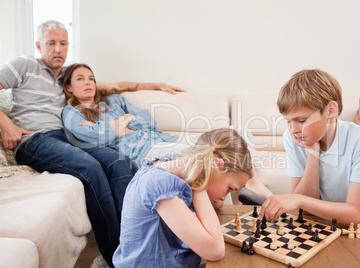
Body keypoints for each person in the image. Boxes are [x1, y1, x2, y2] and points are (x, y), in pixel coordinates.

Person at [0, 20, 183, 267]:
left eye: (63, 43)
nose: (57, 49)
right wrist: (6, 124)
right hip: (36, 139)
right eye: (51, 43)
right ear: (38, 45)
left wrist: (156, 85)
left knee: (119, 161)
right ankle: (118, 256)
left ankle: (138, 240)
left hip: (67, 139)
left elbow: (119, 86)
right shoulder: (24, 65)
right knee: (90, 168)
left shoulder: (68, 76)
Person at [61, 63, 274, 209]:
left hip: (164, 139)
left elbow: (147, 120)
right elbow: (97, 138)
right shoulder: (71, 113)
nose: (88, 82)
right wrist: (116, 127)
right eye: (80, 79)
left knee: (238, 131)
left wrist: (119, 125)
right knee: (208, 160)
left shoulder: (114, 101)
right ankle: (228, 212)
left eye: (91, 78)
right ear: (69, 87)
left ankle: (251, 182)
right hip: (143, 152)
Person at [259, 69, 360, 226]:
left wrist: (299, 200)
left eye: (301, 120)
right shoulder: (293, 137)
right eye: (288, 121)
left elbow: (355, 214)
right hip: (319, 222)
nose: (293, 129)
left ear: (330, 111)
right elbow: (304, 210)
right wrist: (313, 152)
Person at [112, 128, 253, 267]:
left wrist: (200, 177)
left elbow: (216, 206)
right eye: (229, 188)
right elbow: (215, 251)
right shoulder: (161, 185)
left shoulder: (170, 164)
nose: (224, 198)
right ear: (217, 165)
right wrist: (200, 184)